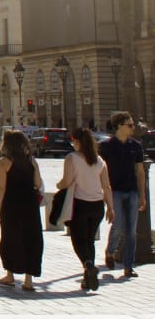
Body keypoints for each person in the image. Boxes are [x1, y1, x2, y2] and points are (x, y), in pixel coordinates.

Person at [58, 127, 113, 292]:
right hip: (97, 206)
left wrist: (59, 185)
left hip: (79, 204)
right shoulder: (99, 160)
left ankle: (88, 265)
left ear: (77, 141)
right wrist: (111, 207)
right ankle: (87, 278)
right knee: (89, 241)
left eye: (73, 141)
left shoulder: (72, 158)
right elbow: (106, 186)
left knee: (78, 240)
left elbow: (67, 181)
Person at [100, 110, 147, 279]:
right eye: (130, 125)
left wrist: (142, 194)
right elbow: (100, 171)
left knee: (131, 231)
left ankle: (128, 266)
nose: (133, 128)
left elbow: (140, 171)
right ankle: (110, 251)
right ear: (119, 126)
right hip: (114, 191)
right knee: (118, 225)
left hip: (132, 191)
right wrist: (104, 195)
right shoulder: (106, 146)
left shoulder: (136, 146)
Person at [0, 129, 43, 291]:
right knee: (31, 239)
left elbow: (1, 188)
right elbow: (38, 183)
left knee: (10, 238)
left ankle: (10, 274)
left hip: (11, 205)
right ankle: (29, 280)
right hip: (30, 205)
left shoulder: (4, 162)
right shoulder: (32, 161)